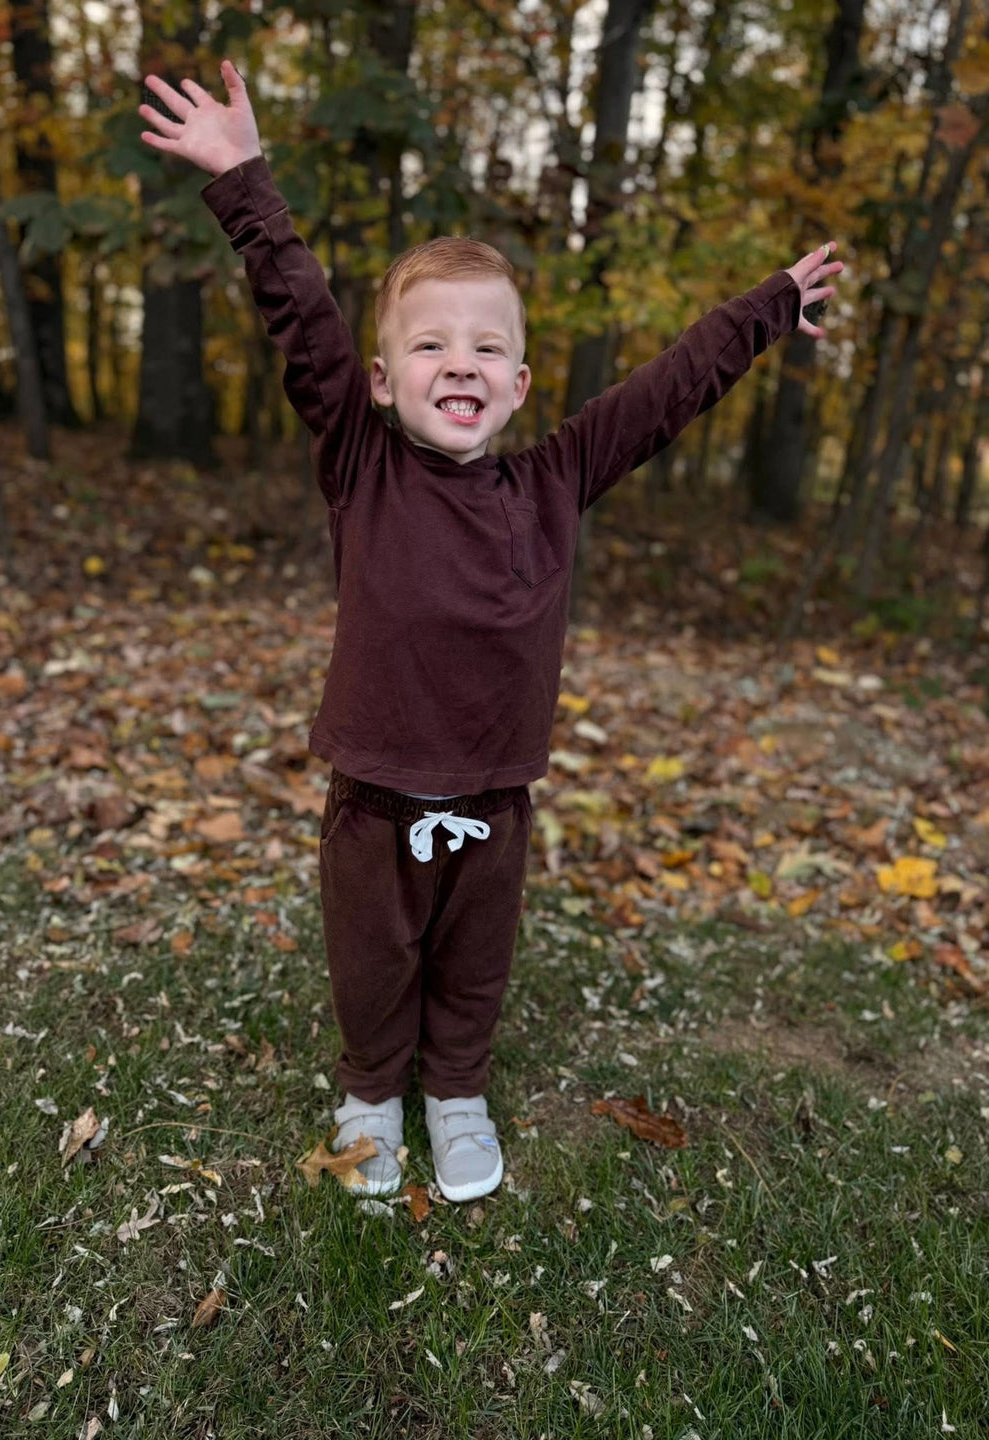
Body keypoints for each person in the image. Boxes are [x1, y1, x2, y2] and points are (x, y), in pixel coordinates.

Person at [138, 59, 843, 1203]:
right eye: (429, 345)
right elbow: (303, 320)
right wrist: (245, 183)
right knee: (373, 962)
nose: (457, 361)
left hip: (495, 800)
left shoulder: (553, 482)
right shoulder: (361, 464)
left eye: (483, 348)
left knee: (474, 961)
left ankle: (456, 1091)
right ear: (381, 380)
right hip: (374, 800)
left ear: (516, 385)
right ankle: (374, 1089)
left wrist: (766, 310)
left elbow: (666, 391)